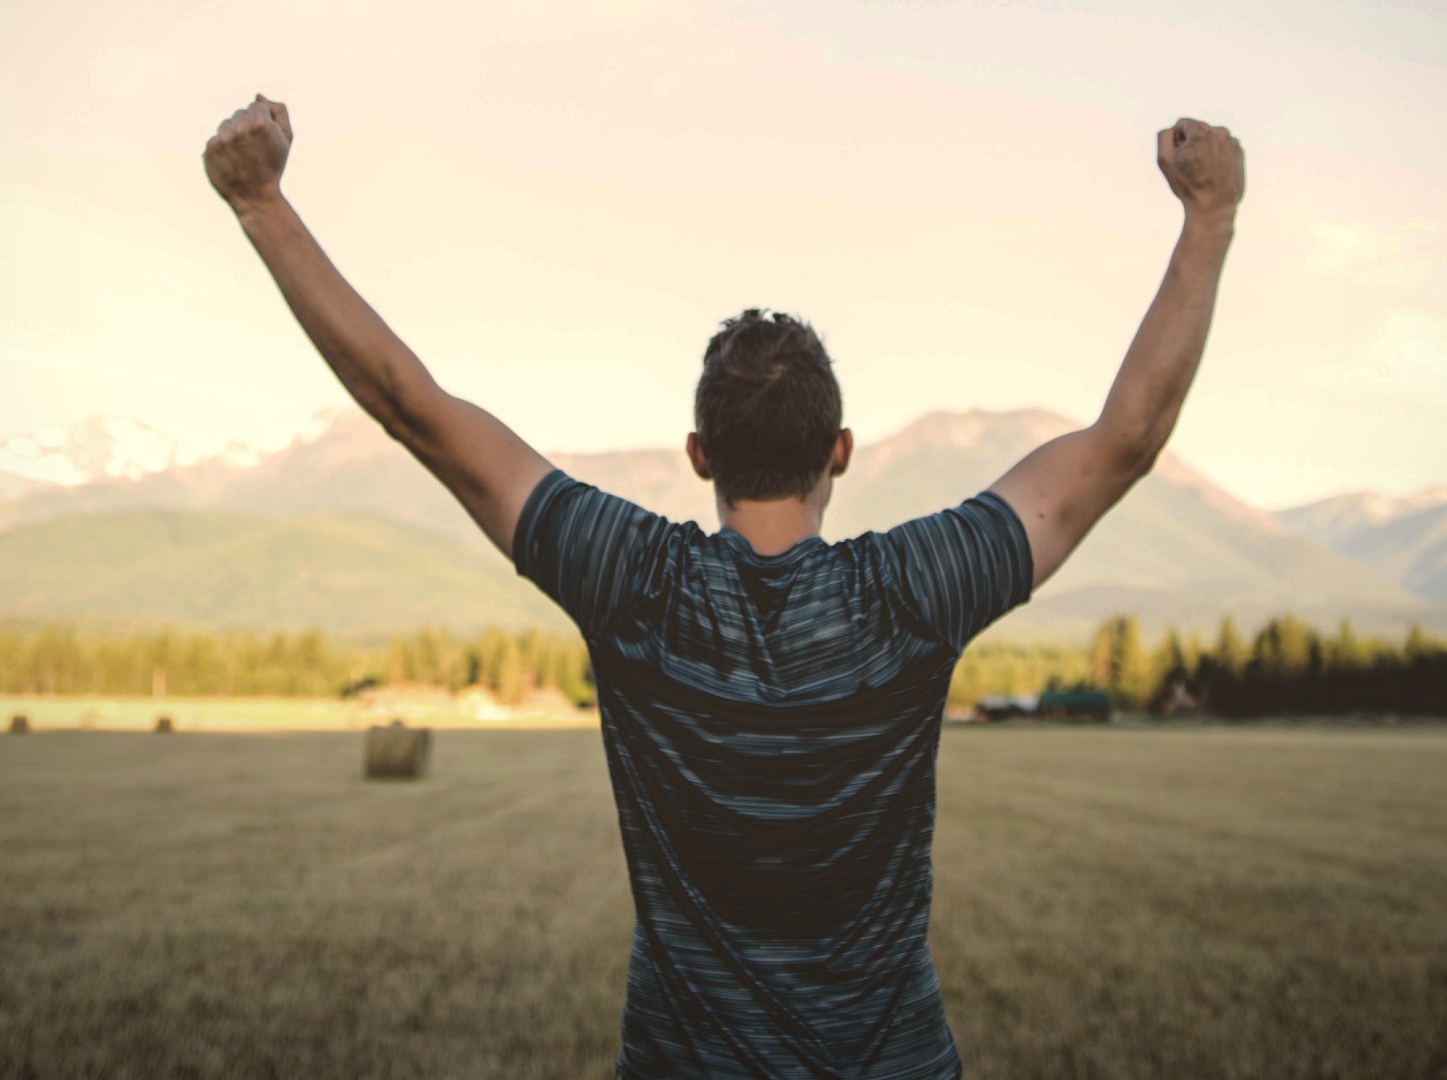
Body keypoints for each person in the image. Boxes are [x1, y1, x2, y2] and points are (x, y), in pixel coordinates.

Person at [204, 94, 1243, 1079]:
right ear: (839, 450)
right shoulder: (915, 592)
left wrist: (262, 205)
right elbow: (1127, 442)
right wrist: (1210, 215)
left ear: (699, 454)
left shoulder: (633, 583)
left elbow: (411, 408)